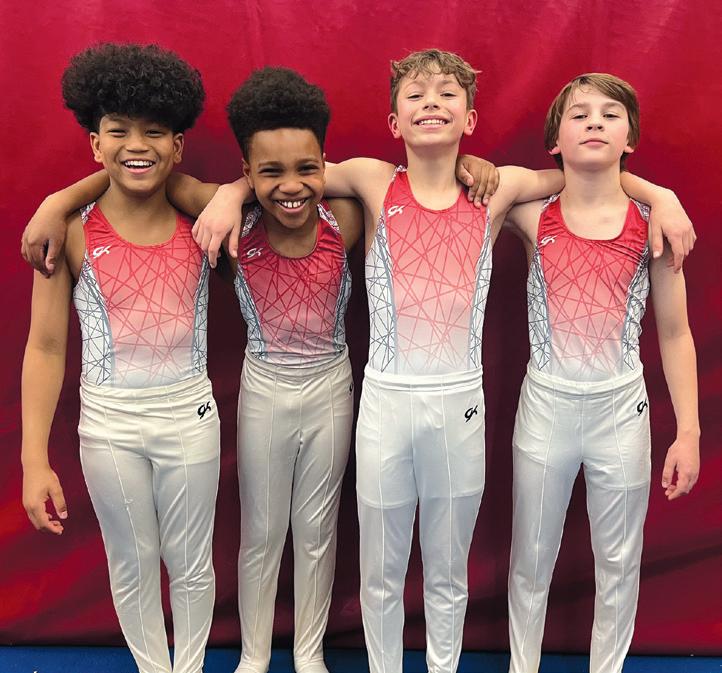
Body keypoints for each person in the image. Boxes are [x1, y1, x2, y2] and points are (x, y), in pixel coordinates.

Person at [193, 50, 695, 673]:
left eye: (447, 94)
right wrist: (230, 193)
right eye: (416, 95)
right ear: (394, 121)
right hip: (386, 401)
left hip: (460, 404)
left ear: (471, 119)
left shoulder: (500, 189)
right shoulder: (374, 180)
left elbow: (584, 170)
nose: (431, 102)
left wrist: (662, 196)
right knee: (381, 567)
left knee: (447, 568)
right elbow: (297, 172)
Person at [20, 44, 219, 673]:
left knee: (191, 562)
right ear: (94, 143)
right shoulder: (71, 233)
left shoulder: (203, 218)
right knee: (131, 561)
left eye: (154, 132)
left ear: (178, 146)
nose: (137, 145)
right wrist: (33, 459)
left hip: (189, 417)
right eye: (118, 131)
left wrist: (57, 195)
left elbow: (260, 186)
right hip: (109, 426)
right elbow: (45, 346)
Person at [502, 73, 700, 673]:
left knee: (618, 561)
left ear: (629, 138)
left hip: (620, 411)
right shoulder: (531, 216)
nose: (594, 121)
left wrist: (688, 432)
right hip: (547, 407)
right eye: (579, 114)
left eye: (610, 115)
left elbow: (675, 332)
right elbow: (474, 181)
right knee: (531, 560)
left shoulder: (653, 226)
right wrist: (661, 189)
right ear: (554, 141)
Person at [222, 67, 362, 673]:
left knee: (316, 530)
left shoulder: (346, 219)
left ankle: (309, 653)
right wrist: (228, 195)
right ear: (247, 172)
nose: (291, 186)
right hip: (265, 389)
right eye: (269, 172)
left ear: (326, 165)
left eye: (307, 168)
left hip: (331, 387)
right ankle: (253, 656)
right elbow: (166, 183)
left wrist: (472, 166)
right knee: (262, 531)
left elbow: (408, 179)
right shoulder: (233, 225)